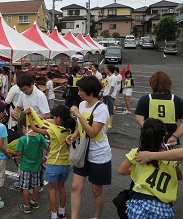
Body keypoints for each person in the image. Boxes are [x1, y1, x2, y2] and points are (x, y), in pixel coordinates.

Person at [67, 75, 112, 219]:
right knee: (75, 186)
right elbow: (82, 128)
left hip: (99, 155)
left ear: (90, 92)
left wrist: (79, 116)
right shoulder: (81, 105)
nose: (78, 93)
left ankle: (96, 217)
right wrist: (74, 135)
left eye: (81, 90)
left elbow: (92, 133)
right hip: (83, 153)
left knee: (96, 191)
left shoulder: (102, 109)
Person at [118, 119, 182, 219]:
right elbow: (179, 177)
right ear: (164, 135)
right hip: (164, 209)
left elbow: (121, 170)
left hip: (140, 205)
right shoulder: (169, 156)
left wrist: (136, 169)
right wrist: (175, 164)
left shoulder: (137, 152)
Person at [27, 105, 76, 219]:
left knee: (52, 189)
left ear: (59, 118)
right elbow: (48, 122)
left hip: (54, 164)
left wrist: (29, 115)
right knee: (62, 188)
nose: (53, 119)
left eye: (54, 117)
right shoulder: (69, 129)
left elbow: (34, 128)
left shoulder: (53, 131)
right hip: (66, 164)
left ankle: (54, 214)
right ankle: (62, 212)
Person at [10, 111, 48, 214]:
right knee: (36, 185)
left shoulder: (23, 139)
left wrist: (8, 151)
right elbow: (48, 147)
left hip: (25, 167)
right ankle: (34, 201)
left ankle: (26, 205)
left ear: (23, 127)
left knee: (25, 186)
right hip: (36, 166)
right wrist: (45, 158)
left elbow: (18, 153)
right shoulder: (40, 137)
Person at [135, 71, 183, 145]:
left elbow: (139, 119)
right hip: (170, 141)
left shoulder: (145, 99)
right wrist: (175, 136)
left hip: (149, 139)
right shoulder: (176, 100)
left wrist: (153, 130)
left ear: (152, 84)